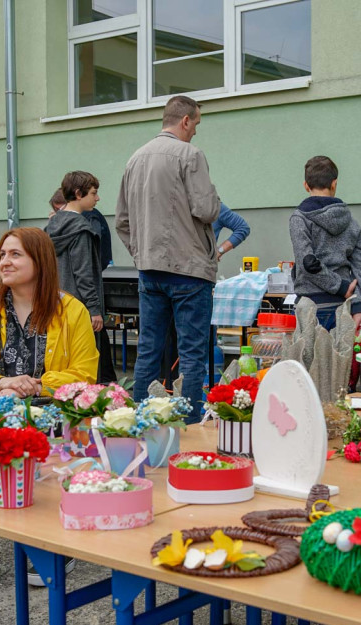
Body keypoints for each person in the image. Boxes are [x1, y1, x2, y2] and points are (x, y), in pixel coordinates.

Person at [0, 226, 97, 586]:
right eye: (2, 254)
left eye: (15, 254)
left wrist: (35, 385)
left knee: (66, 429)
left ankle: (52, 541)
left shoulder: (72, 310)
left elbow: (85, 374)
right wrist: (2, 383)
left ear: (40, 260)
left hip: (52, 412)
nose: (5, 261)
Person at [116, 95, 220, 421]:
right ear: (185, 120)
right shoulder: (190, 155)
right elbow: (206, 209)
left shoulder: (135, 158)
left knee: (148, 349)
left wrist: (140, 253)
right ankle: (188, 426)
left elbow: (121, 221)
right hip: (189, 270)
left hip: (150, 270)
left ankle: (137, 421)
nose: (196, 133)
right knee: (191, 355)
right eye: (196, 125)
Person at [289, 155, 361, 331]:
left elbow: (307, 263)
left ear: (305, 185)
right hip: (343, 308)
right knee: (341, 359)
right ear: (334, 184)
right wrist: (358, 306)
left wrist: (340, 286)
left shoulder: (300, 218)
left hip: (311, 305)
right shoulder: (351, 221)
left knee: (309, 358)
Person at [48, 187, 117, 383]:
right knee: (93, 366)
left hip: (58, 302)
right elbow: (84, 272)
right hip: (81, 305)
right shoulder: (83, 227)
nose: (98, 198)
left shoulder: (51, 226)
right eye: (93, 193)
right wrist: (94, 308)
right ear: (78, 194)